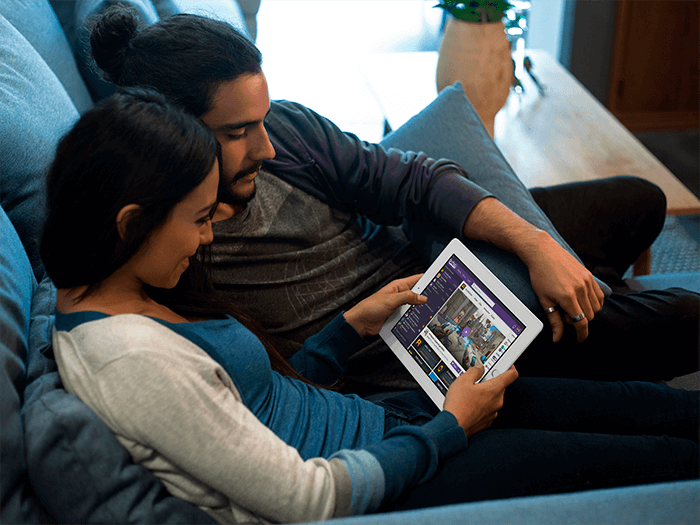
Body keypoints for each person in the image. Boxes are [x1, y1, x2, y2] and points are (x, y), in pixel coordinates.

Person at [43, 89, 699, 525]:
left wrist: (346, 326)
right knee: (652, 454)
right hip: (402, 472)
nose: (208, 236)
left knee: (644, 403)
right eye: (196, 220)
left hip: (395, 419)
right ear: (131, 223)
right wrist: (450, 428)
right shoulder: (128, 363)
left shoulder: (131, 290)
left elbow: (266, 400)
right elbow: (305, 495)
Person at [85, 7, 699, 385]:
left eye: (262, 120)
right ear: (173, 132)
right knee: (681, 324)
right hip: (431, 338)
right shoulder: (171, 248)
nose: (267, 148)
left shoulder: (288, 133)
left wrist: (537, 245)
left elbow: (409, 177)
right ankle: (587, 310)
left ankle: (580, 287)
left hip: (431, 251)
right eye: (239, 132)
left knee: (638, 199)